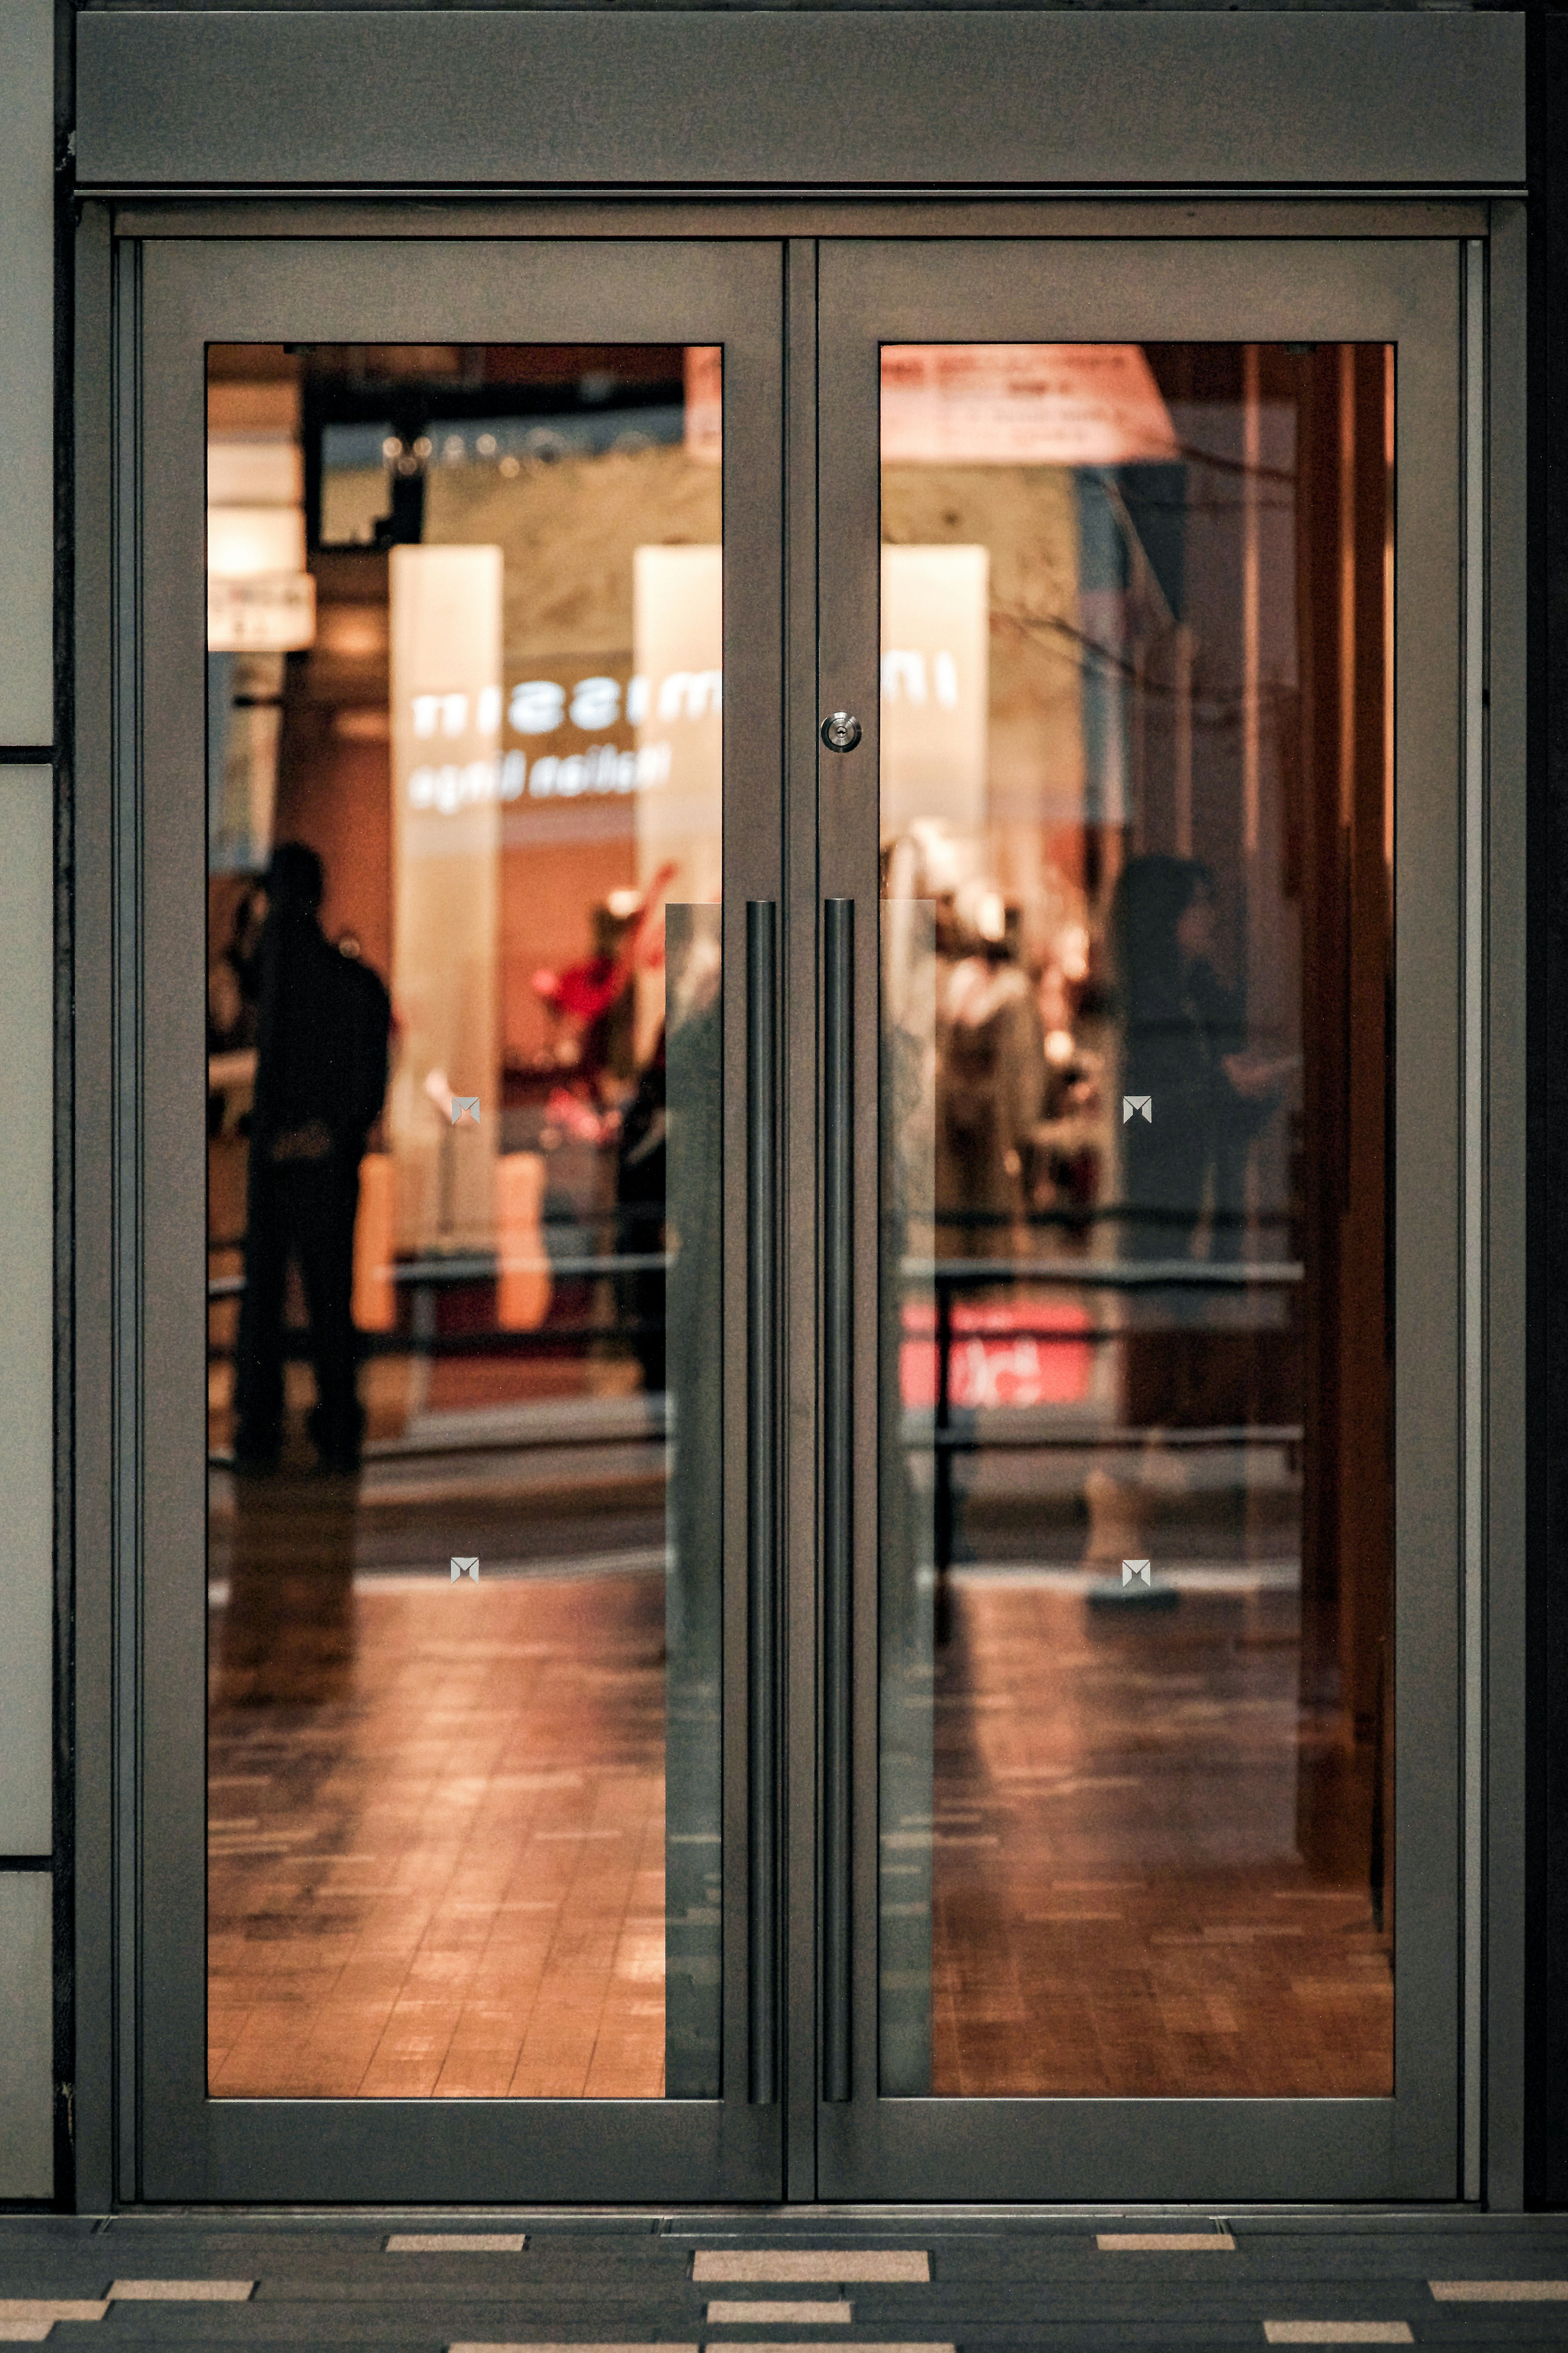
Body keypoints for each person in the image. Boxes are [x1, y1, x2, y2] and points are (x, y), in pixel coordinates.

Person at [232, 842, 392, 1474]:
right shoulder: (353, 983)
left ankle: (261, 1427)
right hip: (328, 1160)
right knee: (331, 1298)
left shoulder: (270, 982)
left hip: (276, 1161)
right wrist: (335, 1131)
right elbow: (368, 1085)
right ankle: (337, 1423)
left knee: (265, 1298)